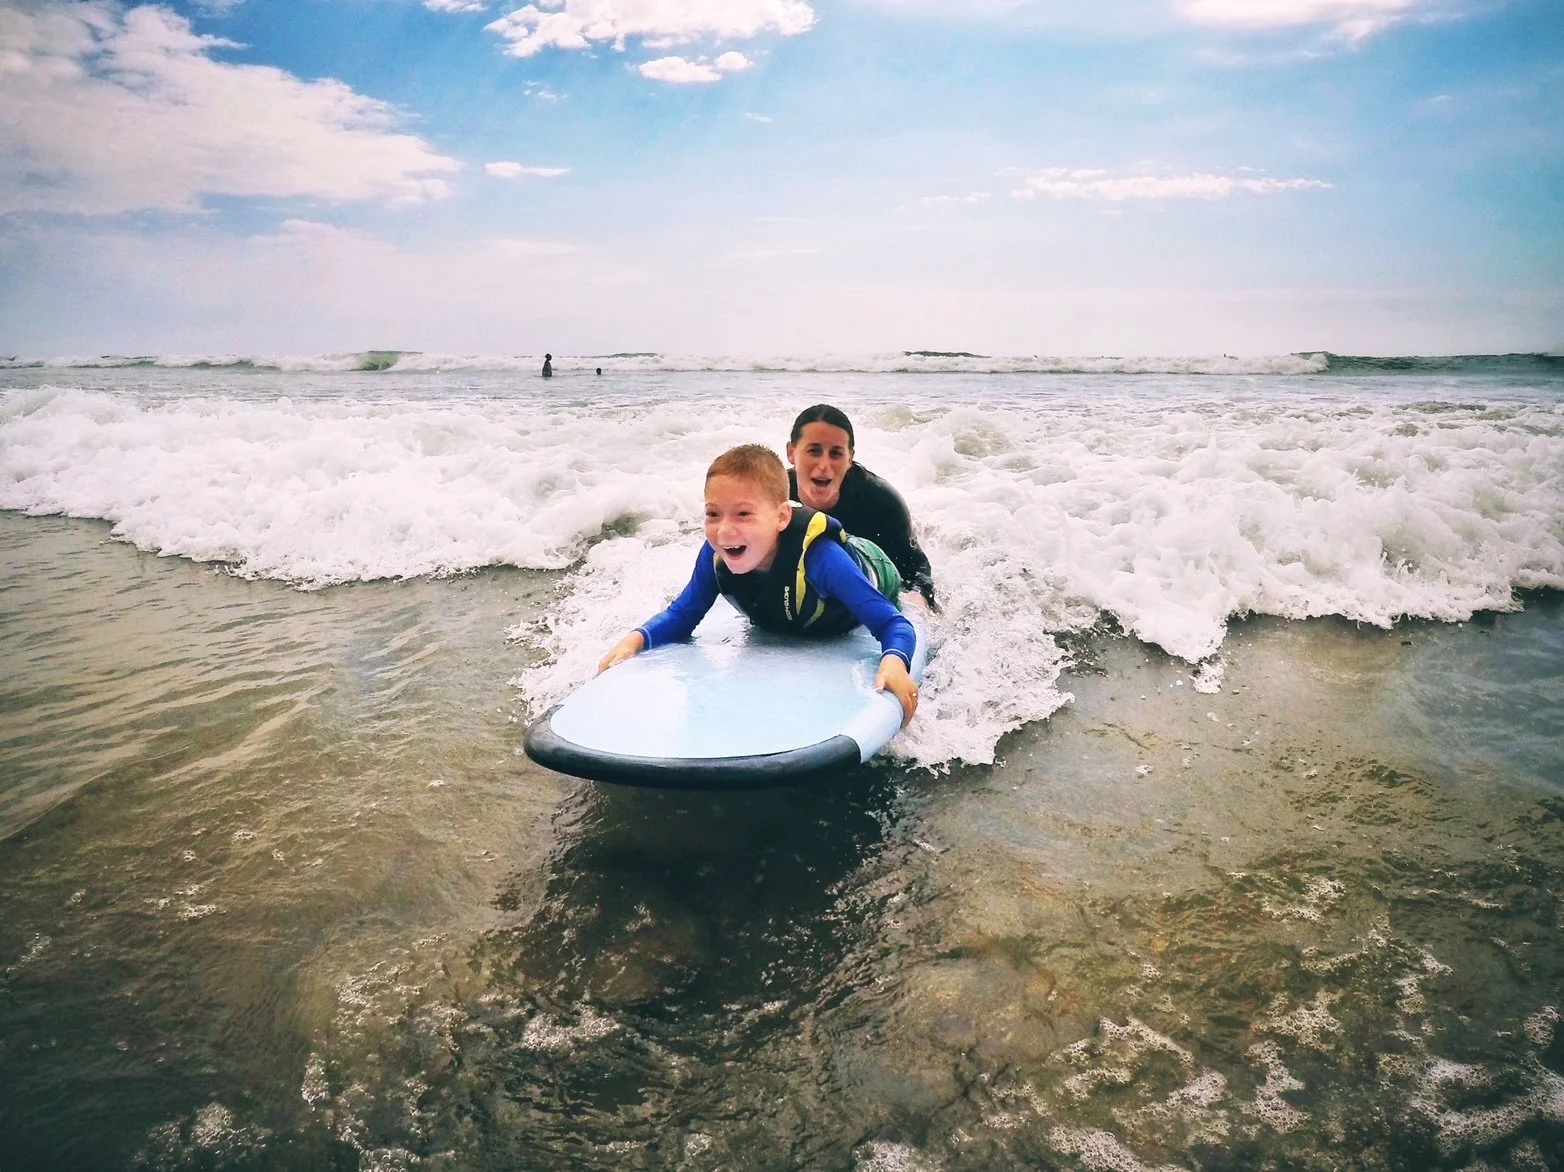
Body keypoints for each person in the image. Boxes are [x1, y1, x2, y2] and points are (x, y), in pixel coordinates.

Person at [598, 444, 920, 725]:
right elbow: (683, 614)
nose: (724, 531)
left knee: (900, 590)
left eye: (743, 514)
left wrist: (894, 661)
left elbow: (893, 624)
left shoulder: (822, 560)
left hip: (874, 568)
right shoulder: (716, 555)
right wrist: (636, 640)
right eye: (713, 514)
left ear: (782, 517)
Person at [786, 404, 938, 609]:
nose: (824, 465)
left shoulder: (881, 504)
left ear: (850, 458)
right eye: (814, 451)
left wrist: (918, 599)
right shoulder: (772, 498)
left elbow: (916, 571)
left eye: (836, 454)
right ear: (791, 453)